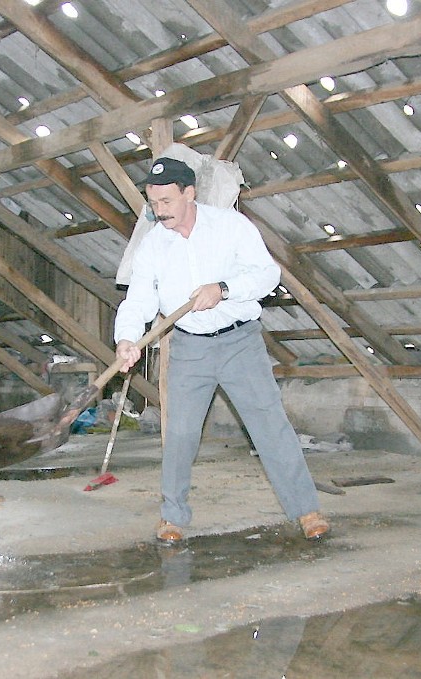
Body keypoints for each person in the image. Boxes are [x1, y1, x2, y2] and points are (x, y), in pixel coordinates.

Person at [114, 157, 329, 543]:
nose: (159, 211)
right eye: (153, 202)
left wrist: (222, 289)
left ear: (189, 193)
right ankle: (172, 517)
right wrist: (127, 339)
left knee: (269, 426)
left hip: (239, 343)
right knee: (179, 434)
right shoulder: (153, 245)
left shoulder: (230, 226)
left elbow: (267, 275)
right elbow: (139, 300)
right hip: (190, 348)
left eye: (166, 201)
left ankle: (306, 510)